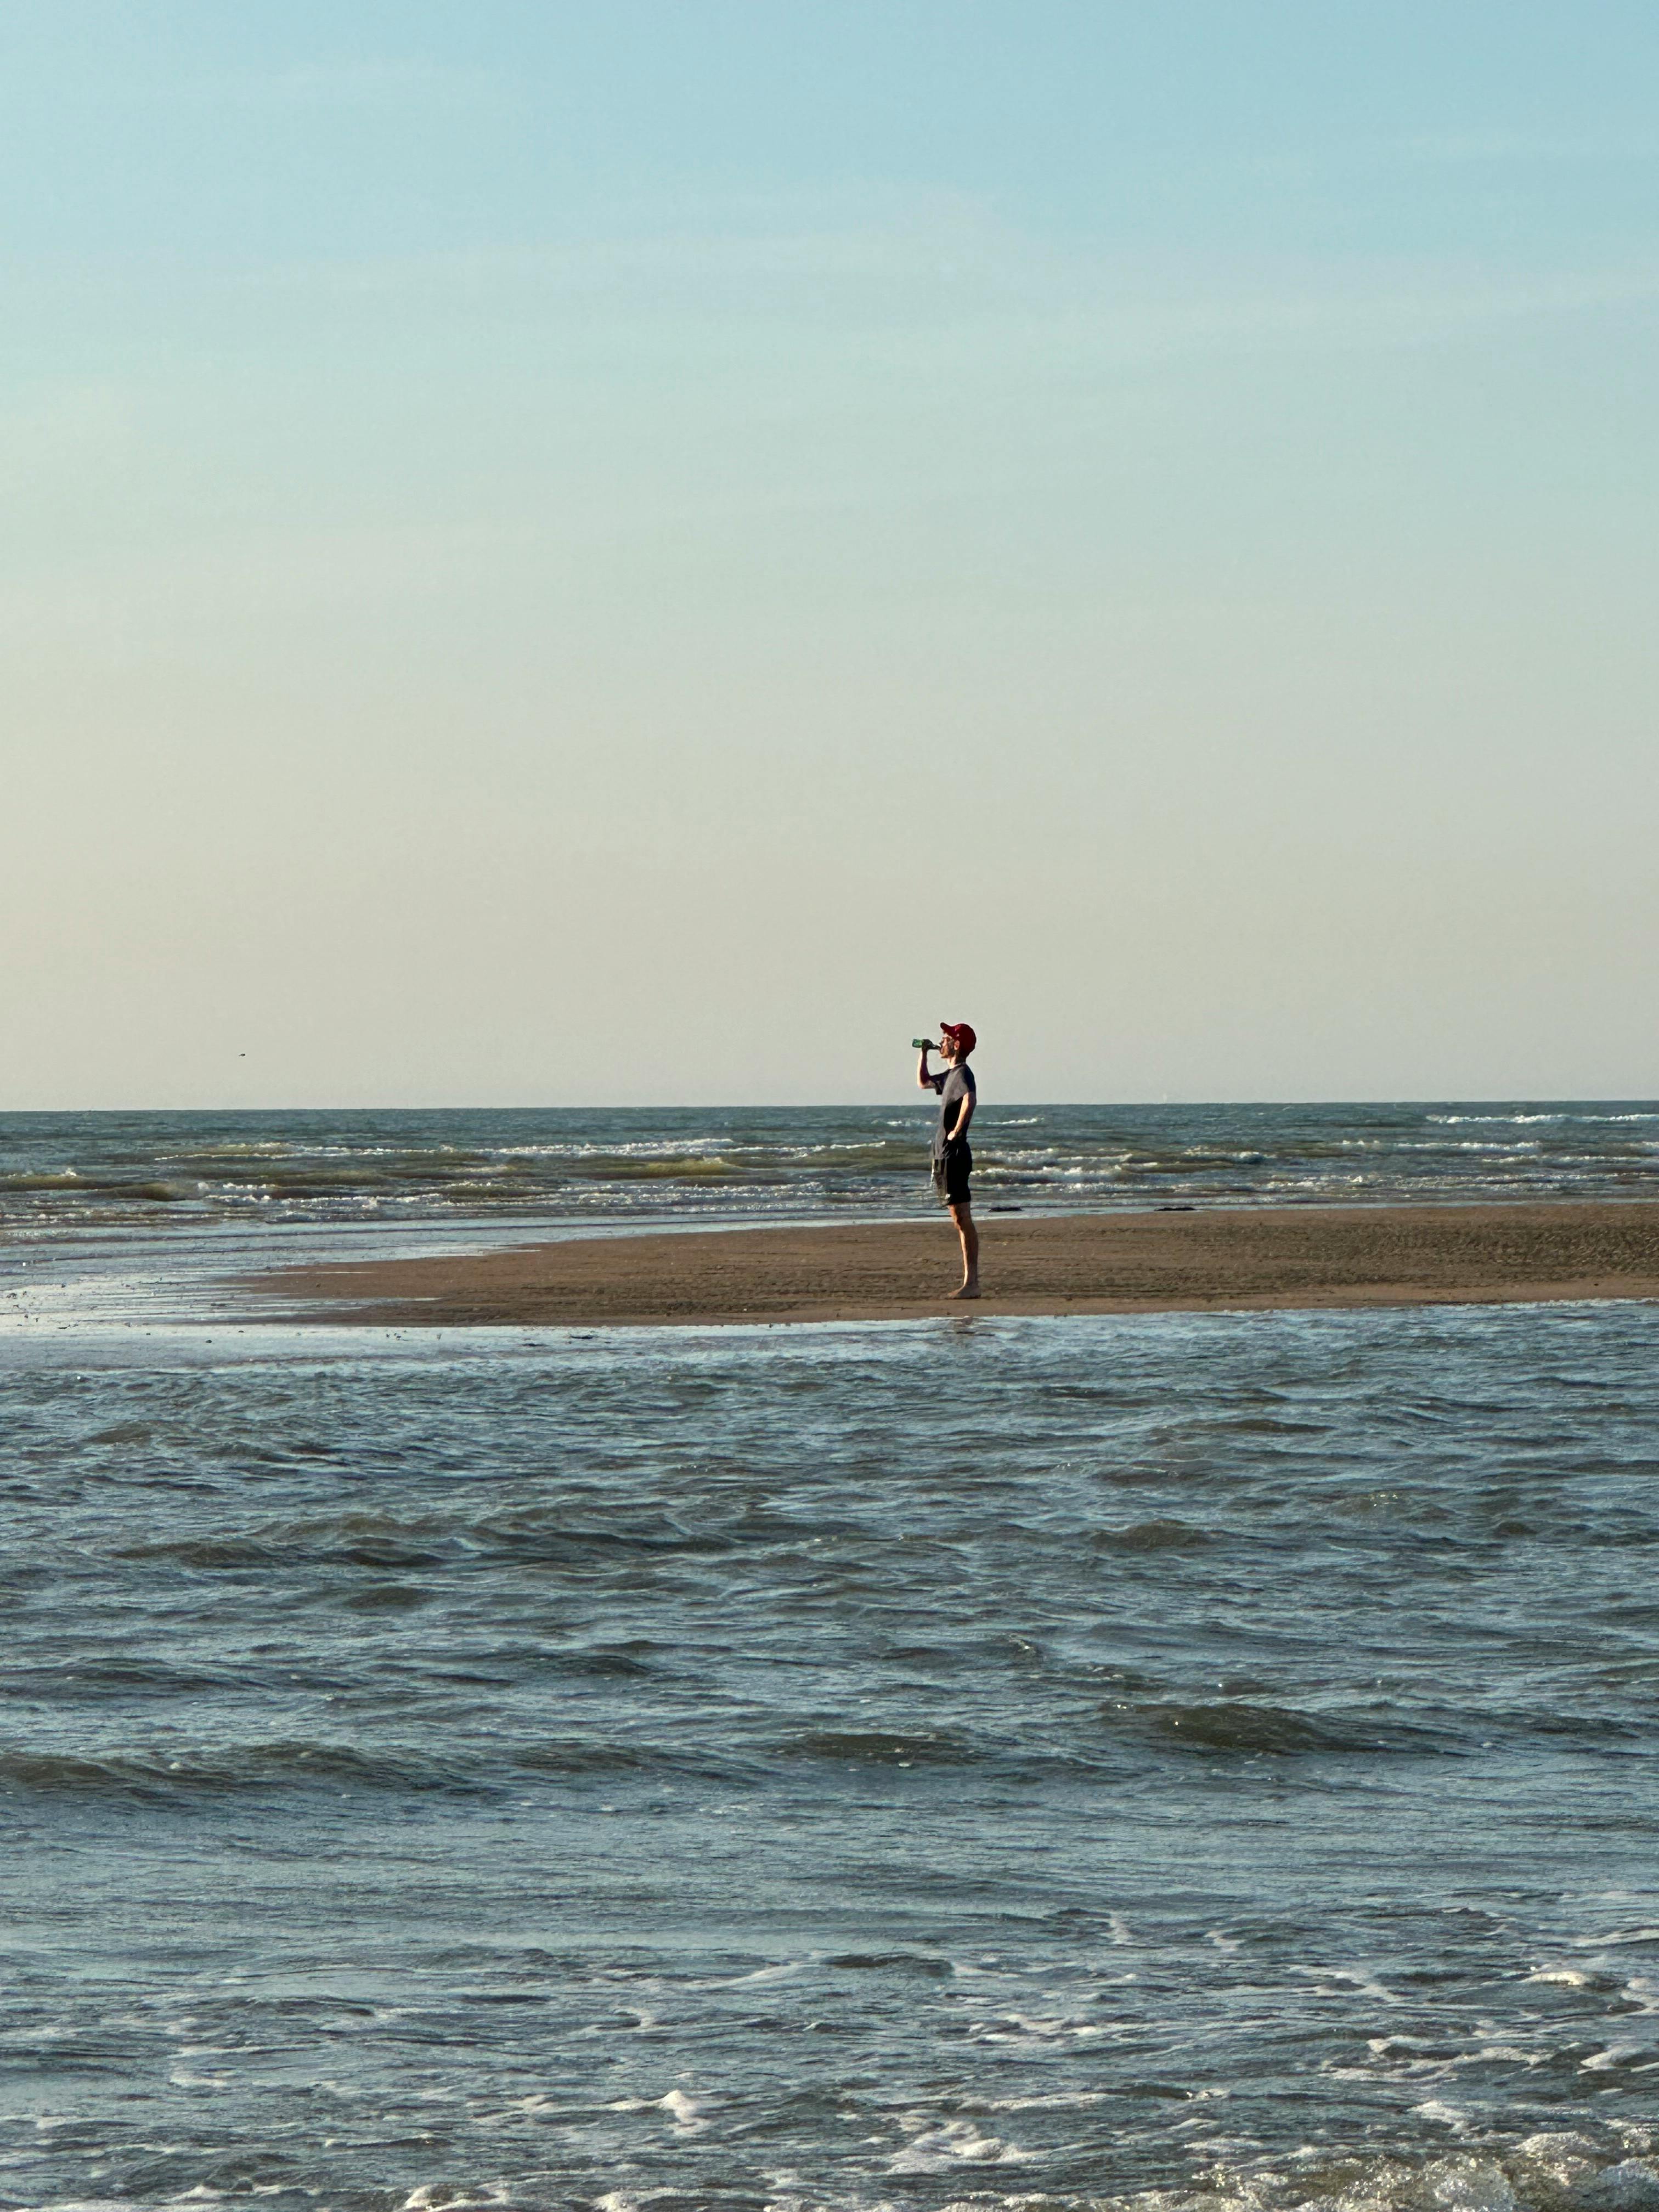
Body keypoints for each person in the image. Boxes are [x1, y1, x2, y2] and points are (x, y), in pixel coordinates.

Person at [917, 1022, 979, 1298]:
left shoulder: (964, 1073)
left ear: (957, 1045)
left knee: (962, 1217)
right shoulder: (950, 1075)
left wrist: (957, 1129)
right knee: (957, 1217)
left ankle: (972, 1284)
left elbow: (971, 1100)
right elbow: (923, 1082)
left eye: (945, 1038)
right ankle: (970, 1283)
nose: (941, 1041)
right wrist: (924, 1053)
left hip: (954, 1153)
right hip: (943, 1154)